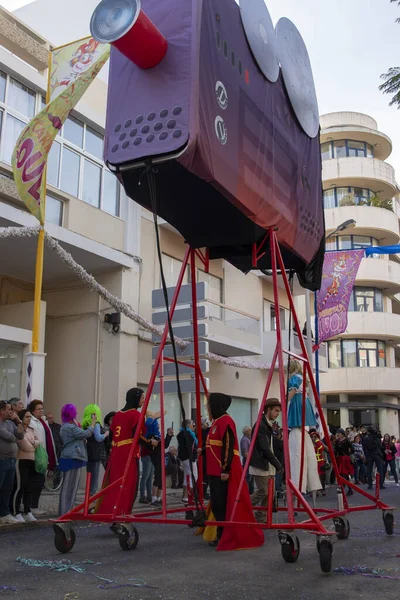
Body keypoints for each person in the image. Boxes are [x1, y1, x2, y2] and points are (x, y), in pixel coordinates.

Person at [198, 392, 264, 551]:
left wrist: (225, 469)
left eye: (209, 405)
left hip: (223, 472)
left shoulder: (226, 421)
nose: (207, 408)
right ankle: (219, 532)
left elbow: (228, 445)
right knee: (217, 504)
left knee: (222, 504)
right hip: (214, 472)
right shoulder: (216, 422)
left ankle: (222, 533)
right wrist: (204, 451)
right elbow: (216, 446)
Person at [97, 388, 156, 515]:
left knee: (115, 485)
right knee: (129, 485)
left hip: (116, 454)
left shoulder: (117, 414)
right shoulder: (135, 414)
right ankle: (123, 513)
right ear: (135, 399)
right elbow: (137, 436)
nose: (143, 401)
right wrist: (150, 443)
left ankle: (112, 510)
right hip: (128, 454)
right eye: (141, 398)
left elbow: (111, 435)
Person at [287, 360, 320, 495]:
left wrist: (285, 400)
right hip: (304, 402)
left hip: (298, 402)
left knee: (296, 425)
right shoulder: (303, 377)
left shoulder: (295, 378)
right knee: (300, 425)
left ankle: (298, 486)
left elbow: (293, 391)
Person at [58, 404, 96, 516]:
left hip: (74, 456)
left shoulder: (68, 426)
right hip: (71, 457)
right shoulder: (68, 427)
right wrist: (93, 423)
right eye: (76, 412)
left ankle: (69, 510)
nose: (77, 415)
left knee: (72, 486)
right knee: (68, 486)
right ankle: (64, 512)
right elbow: (86, 433)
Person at [249, 399, 282, 523]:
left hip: (266, 464)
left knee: (270, 493)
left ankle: (261, 516)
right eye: (276, 411)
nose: (277, 413)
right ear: (268, 409)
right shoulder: (261, 425)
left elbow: (269, 446)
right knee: (263, 491)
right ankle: (240, 507)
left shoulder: (266, 424)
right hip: (261, 464)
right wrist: (277, 463)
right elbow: (264, 447)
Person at [28, 400, 57, 516]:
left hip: (43, 455)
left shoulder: (43, 421)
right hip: (35, 455)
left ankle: (34, 505)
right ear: (33, 410)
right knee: (35, 482)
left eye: (42, 408)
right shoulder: (32, 421)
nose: (41, 411)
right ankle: (31, 506)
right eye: (38, 409)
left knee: (40, 481)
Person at [12, 409, 40, 522]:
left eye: (30, 417)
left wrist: (33, 443)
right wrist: (33, 443)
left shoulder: (31, 430)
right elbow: (25, 446)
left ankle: (27, 511)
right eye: (27, 417)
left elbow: (39, 443)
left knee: (29, 487)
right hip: (21, 460)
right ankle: (16, 511)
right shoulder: (19, 430)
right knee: (20, 486)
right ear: (21, 417)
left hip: (32, 460)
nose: (29, 419)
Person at [0, 401, 24, 524]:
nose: (11, 412)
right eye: (9, 409)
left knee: (7, 488)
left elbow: (21, 435)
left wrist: (19, 421)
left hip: (11, 459)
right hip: (1, 460)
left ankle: (4, 514)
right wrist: (16, 440)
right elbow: (9, 437)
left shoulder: (10, 423)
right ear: (1, 411)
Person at [145, 412, 173, 506]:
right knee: (158, 476)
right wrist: (153, 417)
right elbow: (158, 445)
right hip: (155, 455)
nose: (157, 425)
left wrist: (168, 436)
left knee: (161, 477)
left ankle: (158, 498)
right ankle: (154, 499)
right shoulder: (149, 434)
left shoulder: (156, 435)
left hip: (160, 455)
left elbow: (164, 445)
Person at [82, 404, 109, 498]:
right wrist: (105, 434)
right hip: (95, 452)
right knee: (95, 476)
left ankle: (88, 496)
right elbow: (98, 438)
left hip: (87, 451)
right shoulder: (96, 424)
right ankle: (91, 497)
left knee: (89, 474)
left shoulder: (85, 424)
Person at [177, 419, 198, 504]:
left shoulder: (183, 433)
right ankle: (188, 496)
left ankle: (185, 496)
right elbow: (189, 445)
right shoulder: (187, 434)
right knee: (193, 476)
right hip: (188, 457)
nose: (194, 426)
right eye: (193, 424)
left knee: (187, 476)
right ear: (188, 425)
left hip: (185, 457)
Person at [334, 429, 354, 496]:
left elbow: (352, 449)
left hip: (345, 459)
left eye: (339, 433)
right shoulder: (337, 441)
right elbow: (335, 451)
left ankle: (343, 489)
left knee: (344, 474)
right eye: (337, 433)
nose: (338, 434)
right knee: (343, 475)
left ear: (342, 433)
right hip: (339, 459)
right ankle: (348, 489)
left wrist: (348, 454)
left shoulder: (346, 441)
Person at [309, 429, 327, 495]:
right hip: (313, 462)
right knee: (314, 476)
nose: (313, 438)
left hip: (320, 462)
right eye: (311, 437)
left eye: (314, 437)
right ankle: (314, 490)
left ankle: (322, 489)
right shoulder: (309, 444)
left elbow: (324, 449)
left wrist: (318, 442)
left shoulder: (319, 443)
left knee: (322, 476)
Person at [240, 426, 254, 494]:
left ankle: (250, 492)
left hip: (249, 460)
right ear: (246, 432)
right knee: (248, 477)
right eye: (250, 430)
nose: (251, 432)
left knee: (250, 477)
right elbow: (245, 452)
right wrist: (250, 460)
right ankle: (247, 492)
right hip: (247, 460)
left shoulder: (248, 439)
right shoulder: (245, 440)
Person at [201, 417, 211, 500]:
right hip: (203, 457)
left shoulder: (207, 431)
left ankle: (204, 491)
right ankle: (203, 492)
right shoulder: (202, 432)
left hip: (207, 456)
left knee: (206, 477)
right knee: (204, 476)